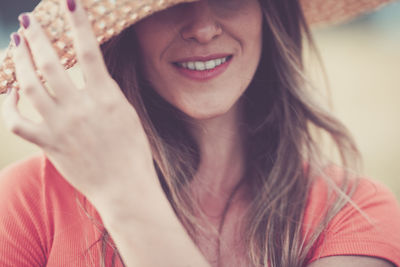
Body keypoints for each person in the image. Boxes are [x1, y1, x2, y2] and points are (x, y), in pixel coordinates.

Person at [0, 0, 399, 266]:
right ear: (125, 31)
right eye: (171, 2)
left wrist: (124, 196)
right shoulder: (27, 201)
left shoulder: (353, 215)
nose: (203, 28)